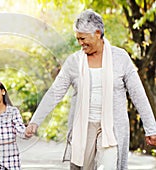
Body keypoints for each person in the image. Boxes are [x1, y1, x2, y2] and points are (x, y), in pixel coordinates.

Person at [25, 9, 156, 170]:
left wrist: (151, 128)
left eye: (83, 38)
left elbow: (138, 94)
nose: (80, 42)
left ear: (97, 33)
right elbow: (55, 92)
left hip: (111, 128)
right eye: (77, 38)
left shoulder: (120, 58)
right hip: (84, 127)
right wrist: (35, 121)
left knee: (109, 166)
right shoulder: (74, 62)